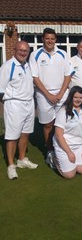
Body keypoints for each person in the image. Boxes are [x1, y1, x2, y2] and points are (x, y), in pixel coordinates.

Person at [29, 27, 73, 168]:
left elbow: (68, 75)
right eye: (47, 38)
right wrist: (48, 95)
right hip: (43, 96)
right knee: (48, 125)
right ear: (43, 39)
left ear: (55, 40)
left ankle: (62, 148)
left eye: (52, 39)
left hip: (62, 94)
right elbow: (35, 78)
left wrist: (60, 94)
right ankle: (50, 151)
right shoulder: (34, 55)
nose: (50, 41)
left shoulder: (63, 54)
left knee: (62, 124)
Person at [0, 41, 38, 179]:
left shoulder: (27, 65)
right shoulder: (7, 66)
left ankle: (22, 160)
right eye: (21, 50)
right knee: (12, 136)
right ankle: (11, 165)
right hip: (14, 105)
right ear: (14, 50)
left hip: (29, 103)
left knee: (25, 133)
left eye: (26, 51)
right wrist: (9, 104)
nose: (23, 53)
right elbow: (0, 90)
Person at [52, 86, 82, 179]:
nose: (78, 100)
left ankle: (71, 162)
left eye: (81, 98)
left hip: (79, 145)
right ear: (71, 97)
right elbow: (58, 135)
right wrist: (69, 152)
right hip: (64, 146)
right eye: (76, 97)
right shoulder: (63, 111)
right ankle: (54, 159)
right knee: (69, 175)